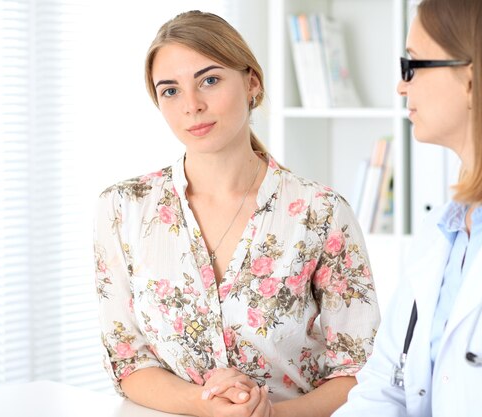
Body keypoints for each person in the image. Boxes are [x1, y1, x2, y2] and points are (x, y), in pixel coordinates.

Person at [93, 10, 380, 417]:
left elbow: (358, 368)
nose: (191, 105)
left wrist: (269, 415)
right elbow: (127, 359)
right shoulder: (122, 209)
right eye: (171, 90)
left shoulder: (322, 213)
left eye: (209, 80)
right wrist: (210, 406)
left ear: (251, 83)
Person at [333, 0, 482, 416]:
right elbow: (384, 390)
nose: (401, 85)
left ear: (472, 77)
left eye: (412, 64)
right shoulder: (440, 231)